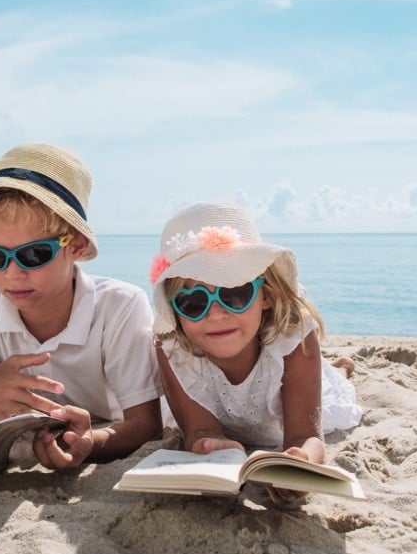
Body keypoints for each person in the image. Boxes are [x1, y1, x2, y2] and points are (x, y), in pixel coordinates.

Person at [0, 143, 162, 471]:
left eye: (34, 254)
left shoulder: (121, 306)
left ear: (76, 244)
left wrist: (91, 444)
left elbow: (146, 426)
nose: (12, 274)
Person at [149, 202, 362, 504]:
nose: (217, 313)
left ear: (267, 295)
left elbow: (306, 435)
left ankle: (339, 369)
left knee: (332, 395)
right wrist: (212, 447)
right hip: (226, 414)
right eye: (194, 302)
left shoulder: (294, 337)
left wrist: (303, 460)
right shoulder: (172, 348)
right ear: (175, 310)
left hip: (287, 405)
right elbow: (199, 430)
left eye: (235, 292)